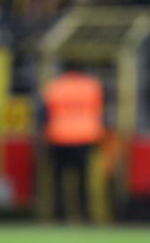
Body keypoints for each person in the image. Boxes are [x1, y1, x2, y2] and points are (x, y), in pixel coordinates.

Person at [42, 64, 104, 222]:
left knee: (58, 179)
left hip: (59, 137)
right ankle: (85, 214)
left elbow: (45, 113)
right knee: (83, 179)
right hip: (85, 137)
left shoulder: (55, 86)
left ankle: (59, 214)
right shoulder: (91, 85)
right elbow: (98, 112)